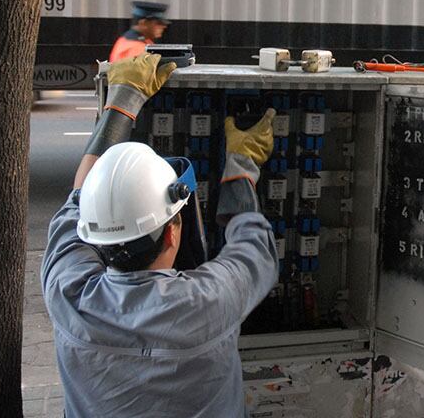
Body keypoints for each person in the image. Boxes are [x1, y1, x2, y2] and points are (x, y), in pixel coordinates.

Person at [41, 52, 279, 417]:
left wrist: (124, 99)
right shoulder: (210, 301)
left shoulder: (67, 292)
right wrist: (242, 164)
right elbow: (255, 247)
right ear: (172, 233)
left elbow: (79, 199)